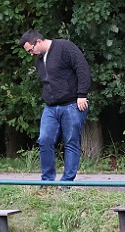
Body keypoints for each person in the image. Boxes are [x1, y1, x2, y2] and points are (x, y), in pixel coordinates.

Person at [20, 30, 91, 184]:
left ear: (38, 41)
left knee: (71, 141)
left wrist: (82, 95)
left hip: (72, 104)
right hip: (50, 107)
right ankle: (47, 182)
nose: (31, 54)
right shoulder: (39, 61)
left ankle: (66, 183)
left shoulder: (65, 47)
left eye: (31, 50)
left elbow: (82, 68)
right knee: (44, 139)